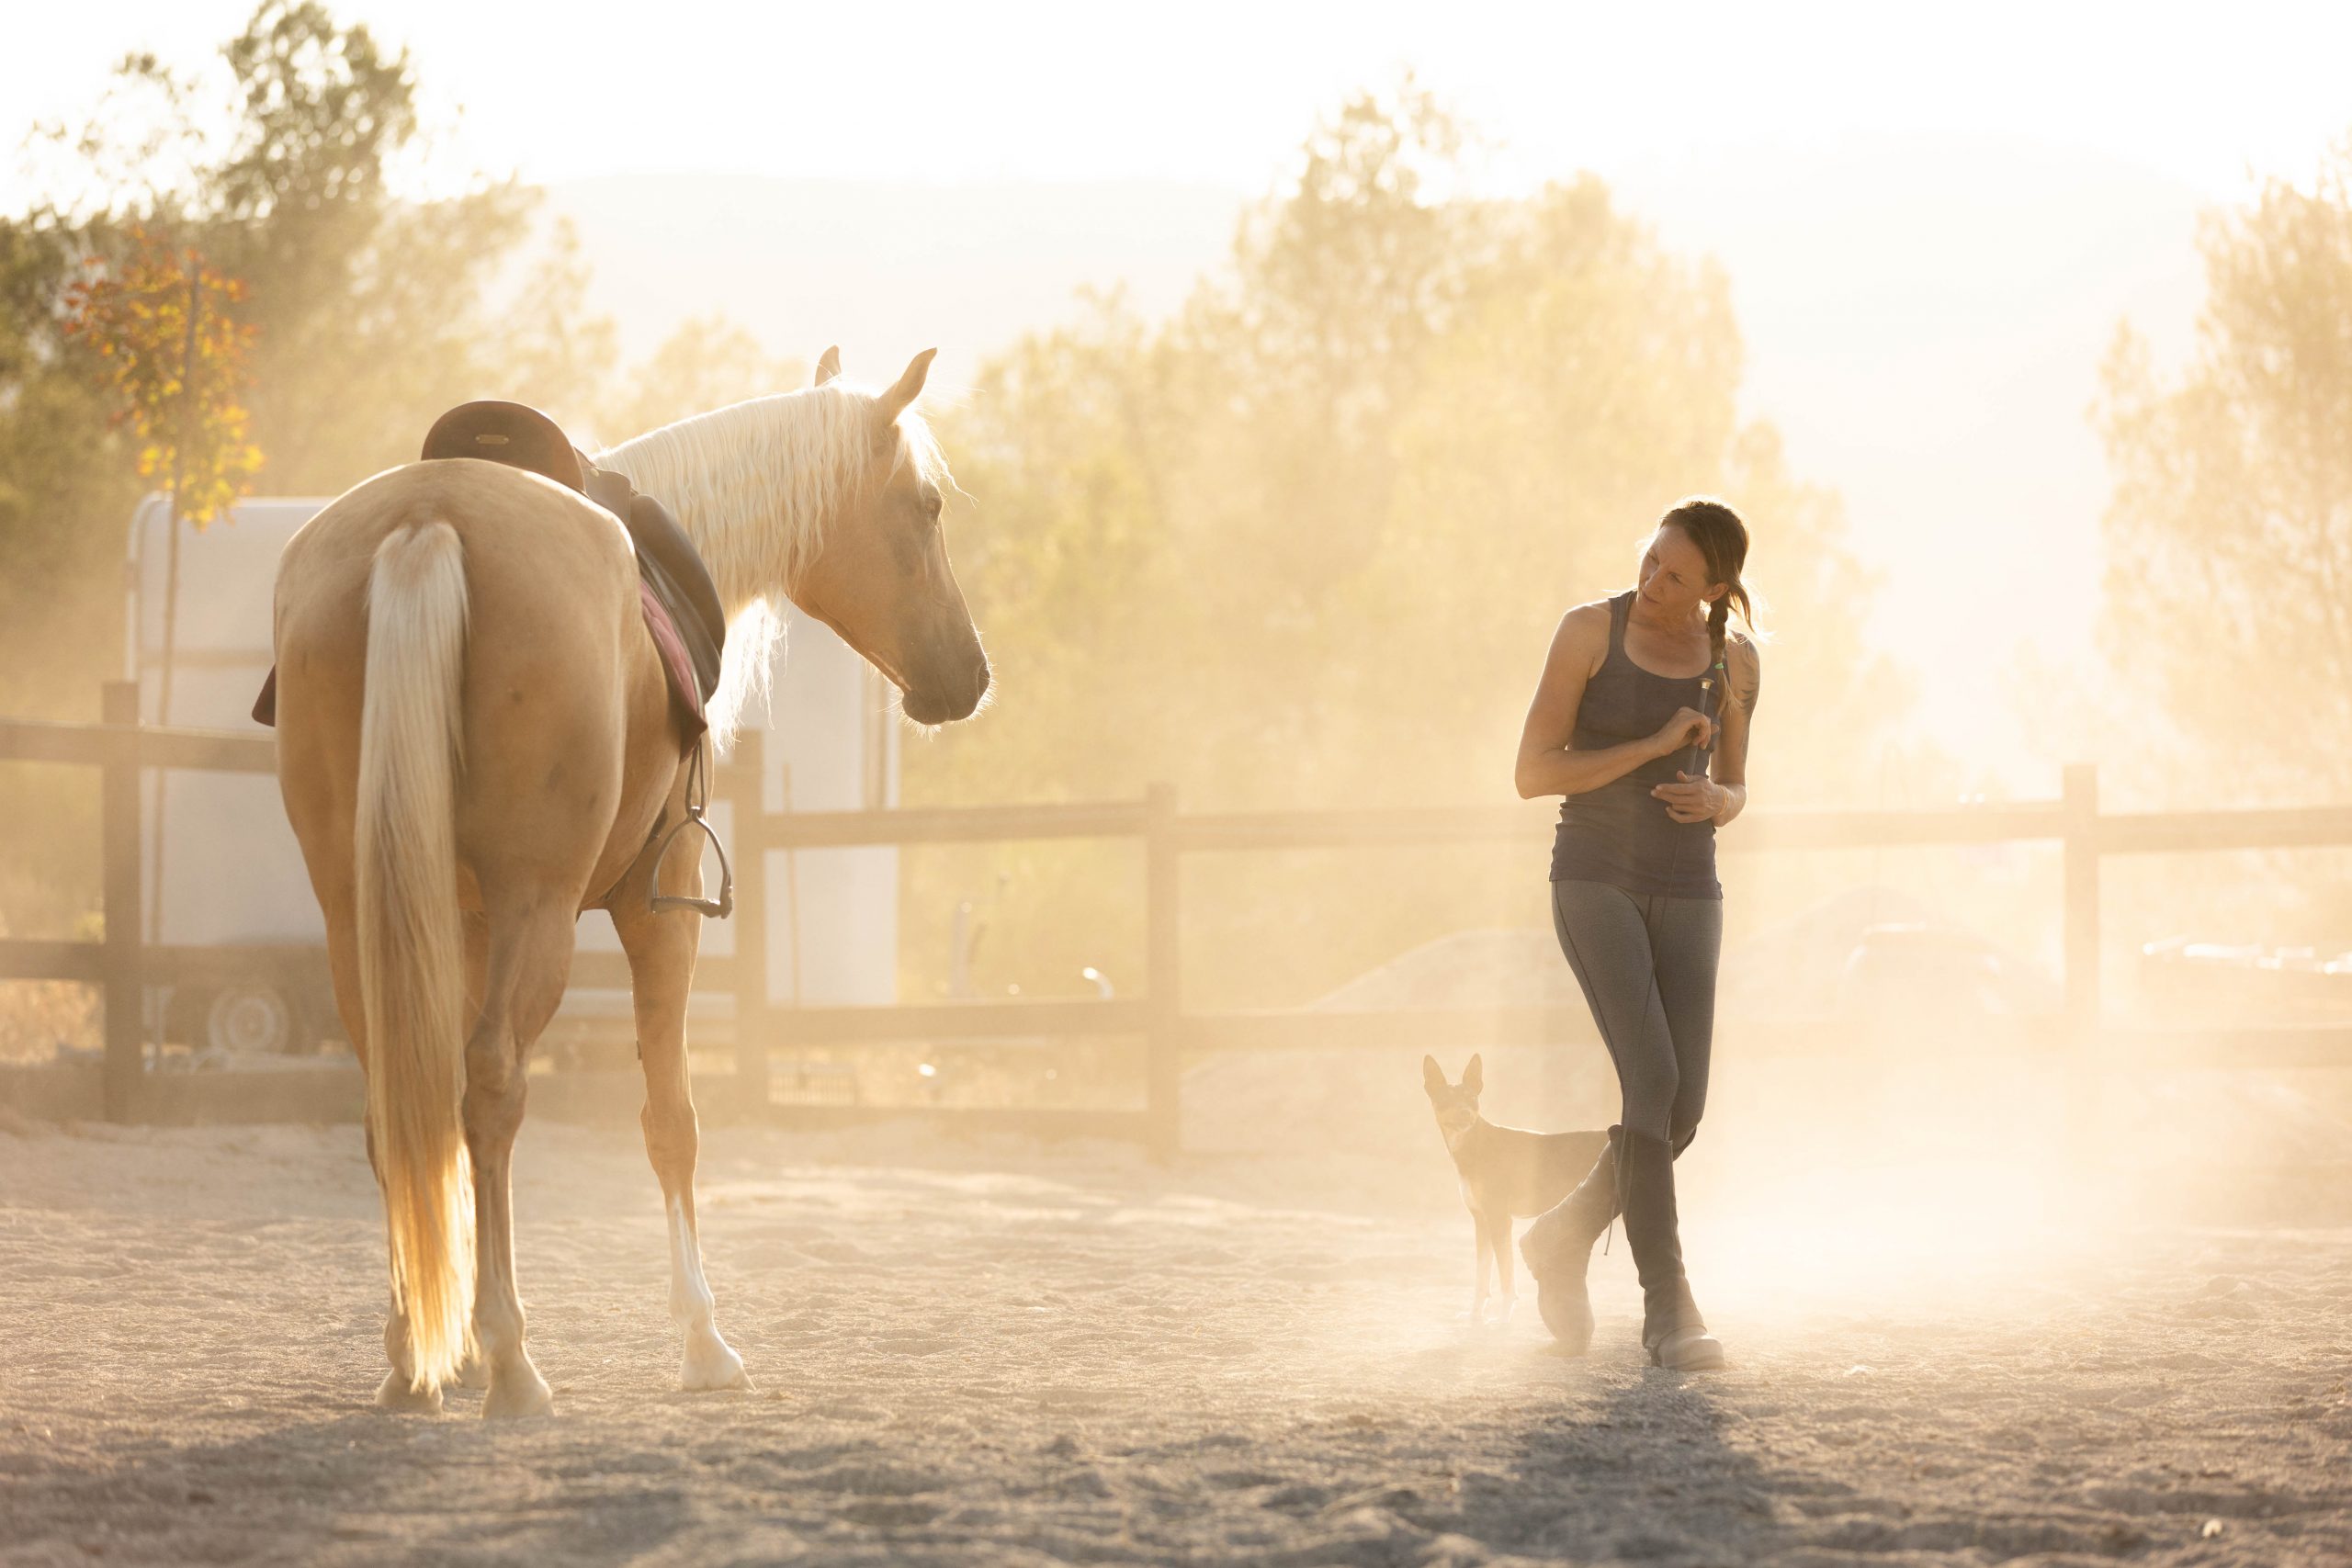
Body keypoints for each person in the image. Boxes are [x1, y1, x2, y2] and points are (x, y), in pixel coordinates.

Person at [1510, 496, 1761, 1371]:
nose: (1653, 582)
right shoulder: (1588, 631)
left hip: (1690, 883)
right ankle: (1669, 1310)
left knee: (1681, 1107)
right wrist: (1652, 745)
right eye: (1651, 560)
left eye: (1677, 576)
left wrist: (1716, 801)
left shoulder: (1735, 663)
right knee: (1649, 1076)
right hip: (1594, 875)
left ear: (1716, 587)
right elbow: (1531, 773)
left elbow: (1736, 786)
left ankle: (1559, 1236)